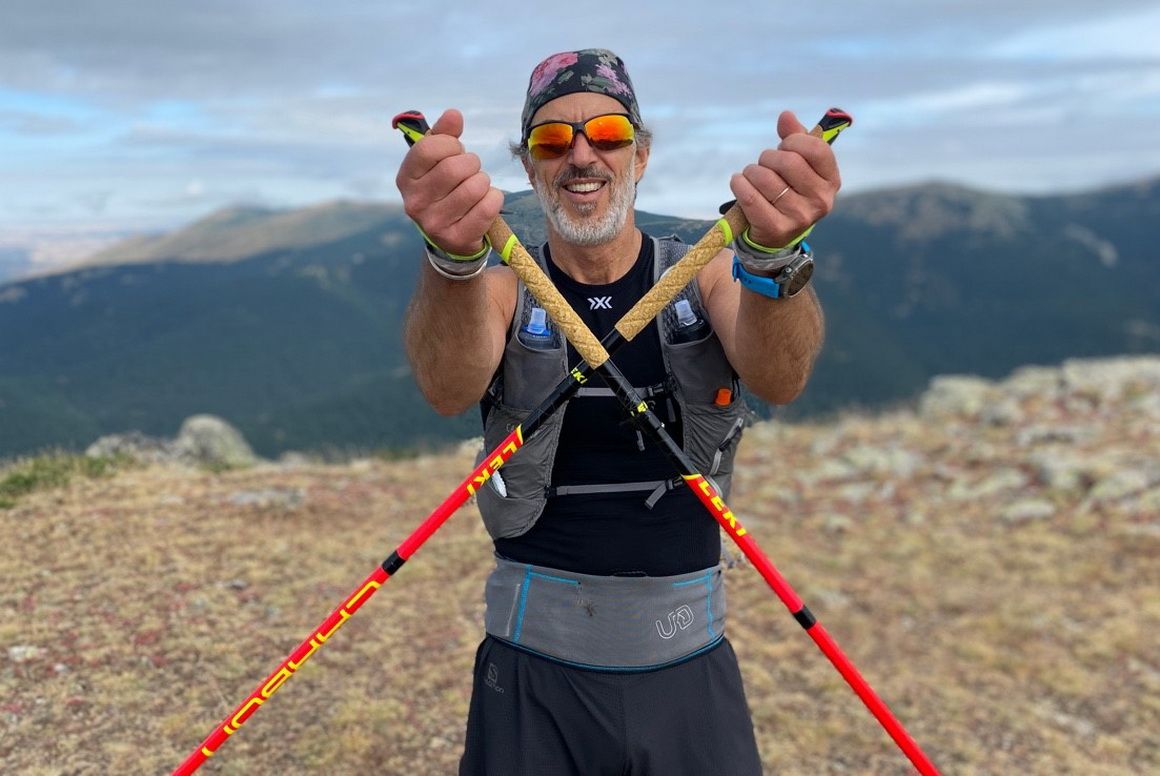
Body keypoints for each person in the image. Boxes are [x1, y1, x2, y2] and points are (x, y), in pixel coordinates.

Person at [396, 48, 840, 776]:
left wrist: (772, 257)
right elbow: (447, 386)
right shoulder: (505, 288)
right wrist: (450, 260)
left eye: (606, 133)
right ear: (530, 166)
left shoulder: (709, 274)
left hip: (687, 664)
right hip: (531, 671)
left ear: (641, 154)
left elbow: (780, 375)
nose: (580, 156)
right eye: (550, 140)